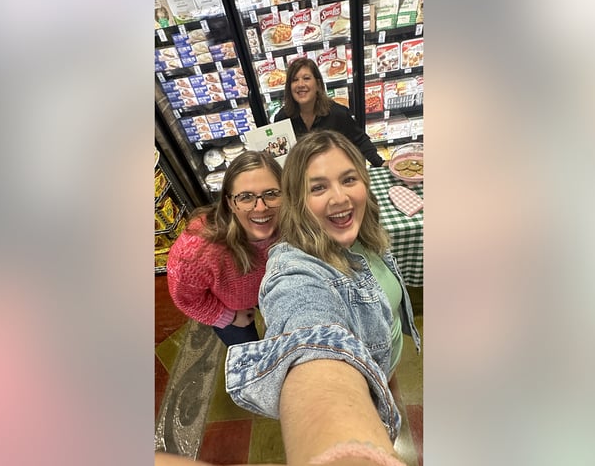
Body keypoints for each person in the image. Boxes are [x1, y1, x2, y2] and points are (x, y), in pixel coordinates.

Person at [224, 130, 421, 465]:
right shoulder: (295, 270)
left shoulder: (366, 232)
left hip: (384, 363)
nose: (340, 197)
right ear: (297, 200)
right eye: (318, 187)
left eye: (348, 179)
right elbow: (308, 337)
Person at [166, 151, 283, 346]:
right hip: (231, 307)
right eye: (246, 197)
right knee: (247, 355)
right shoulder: (196, 251)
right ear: (230, 203)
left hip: (274, 292)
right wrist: (227, 316)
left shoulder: (293, 224)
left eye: (271, 194)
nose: (261, 208)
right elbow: (185, 298)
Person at [274, 58, 387, 167]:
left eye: (306, 78)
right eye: (294, 80)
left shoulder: (337, 113)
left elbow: (360, 140)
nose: (300, 84)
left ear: (318, 84)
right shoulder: (282, 118)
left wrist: (379, 162)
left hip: (332, 173)